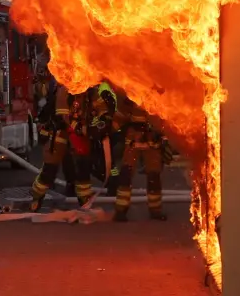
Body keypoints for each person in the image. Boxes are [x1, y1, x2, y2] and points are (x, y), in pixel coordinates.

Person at [29, 84, 100, 212]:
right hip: (60, 135)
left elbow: (97, 110)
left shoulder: (90, 93)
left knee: (83, 168)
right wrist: (79, 127)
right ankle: (36, 196)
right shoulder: (65, 90)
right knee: (49, 170)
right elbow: (63, 117)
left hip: (79, 136)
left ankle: (85, 201)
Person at [112, 92, 168, 222]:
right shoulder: (133, 91)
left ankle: (155, 210)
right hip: (134, 138)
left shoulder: (160, 94)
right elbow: (121, 115)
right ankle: (121, 211)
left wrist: (163, 136)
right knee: (126, 173)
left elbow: (166, 118)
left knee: (154, 175)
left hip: (153, 139)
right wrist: (108, 130)